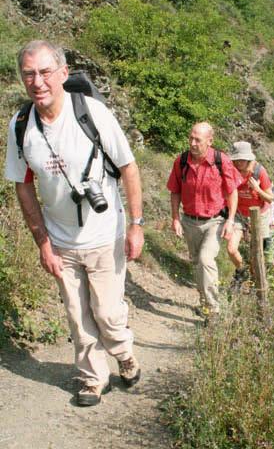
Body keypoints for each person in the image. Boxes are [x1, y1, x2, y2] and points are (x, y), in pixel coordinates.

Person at [5, 40, 144, 407]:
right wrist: (43, 244)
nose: (37, 82)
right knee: (77, 316)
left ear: (64, 74)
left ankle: (124, 353)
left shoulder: (92, 113)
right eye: (29, 74)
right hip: (61, 240)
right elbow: (23, 186)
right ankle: (92, 379)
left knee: (108, 314)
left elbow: (128, 167)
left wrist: (136, 224)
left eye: (45, 72)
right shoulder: (20, 125)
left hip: (104, 234)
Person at [167, 122, 240, 317]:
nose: (192, 143)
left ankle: (214, 310)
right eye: (191, 138)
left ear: (209, 141)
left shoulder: (221, 161)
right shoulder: (181, 161)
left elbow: (232, 193)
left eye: (197, 140)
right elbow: (175, 191)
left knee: (205, 260)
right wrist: (175, 218)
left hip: (214, 221)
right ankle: (204, 303)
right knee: (196, 263)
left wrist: (231, 220)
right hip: (189, 222)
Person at [226, 141, 274, 283]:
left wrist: (257, 190)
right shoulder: (230, 170)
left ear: (248, 158)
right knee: (231, 248)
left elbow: (270, 199)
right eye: (236, 159)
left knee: (257, 253)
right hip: (239, 214)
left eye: (242, 159)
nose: (239, 162)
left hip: (259, 215)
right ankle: (242, 271)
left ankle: (257, 281)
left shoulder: (259, 172)